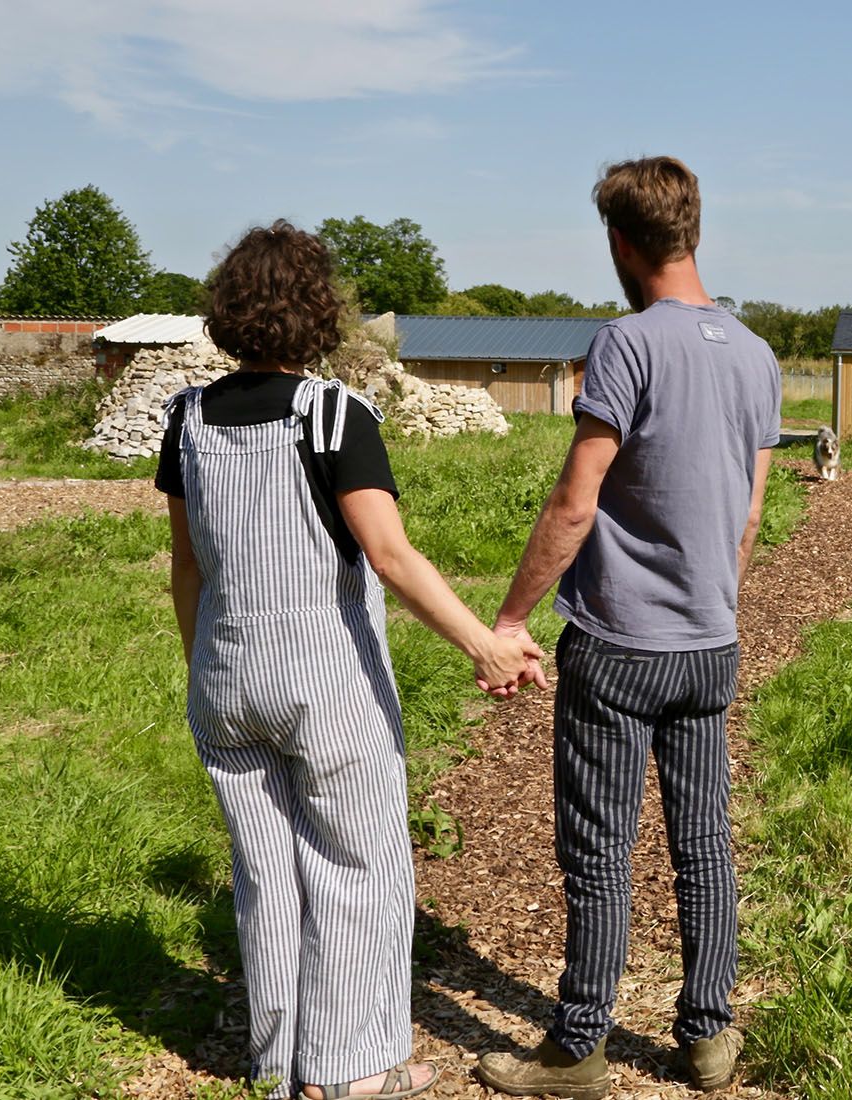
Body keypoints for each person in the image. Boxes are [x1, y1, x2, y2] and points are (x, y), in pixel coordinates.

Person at [163, 221, 545, 1100]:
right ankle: (352, 1072)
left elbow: (187, 565)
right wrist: (485, 643)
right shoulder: (335, 414)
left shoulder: (184, 418)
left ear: (227, 314)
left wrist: (202, 666)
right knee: (360, 866)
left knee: (265, 870)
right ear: (317, 313)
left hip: (225, 672)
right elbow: (390, 555)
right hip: (323, 675)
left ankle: (277, 1063)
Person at [475, 157, 780, 1098]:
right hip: (710, 643)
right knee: (705, 841)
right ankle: (707, 1036)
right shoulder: (758, 354)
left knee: (601, 849)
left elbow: (576, 502)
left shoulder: (626, 345)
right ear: (694, 230)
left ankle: (577, 1051)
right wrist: (711, 609)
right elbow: (748, 517)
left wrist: (513, 618)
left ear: (619, 241)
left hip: (618, 647)